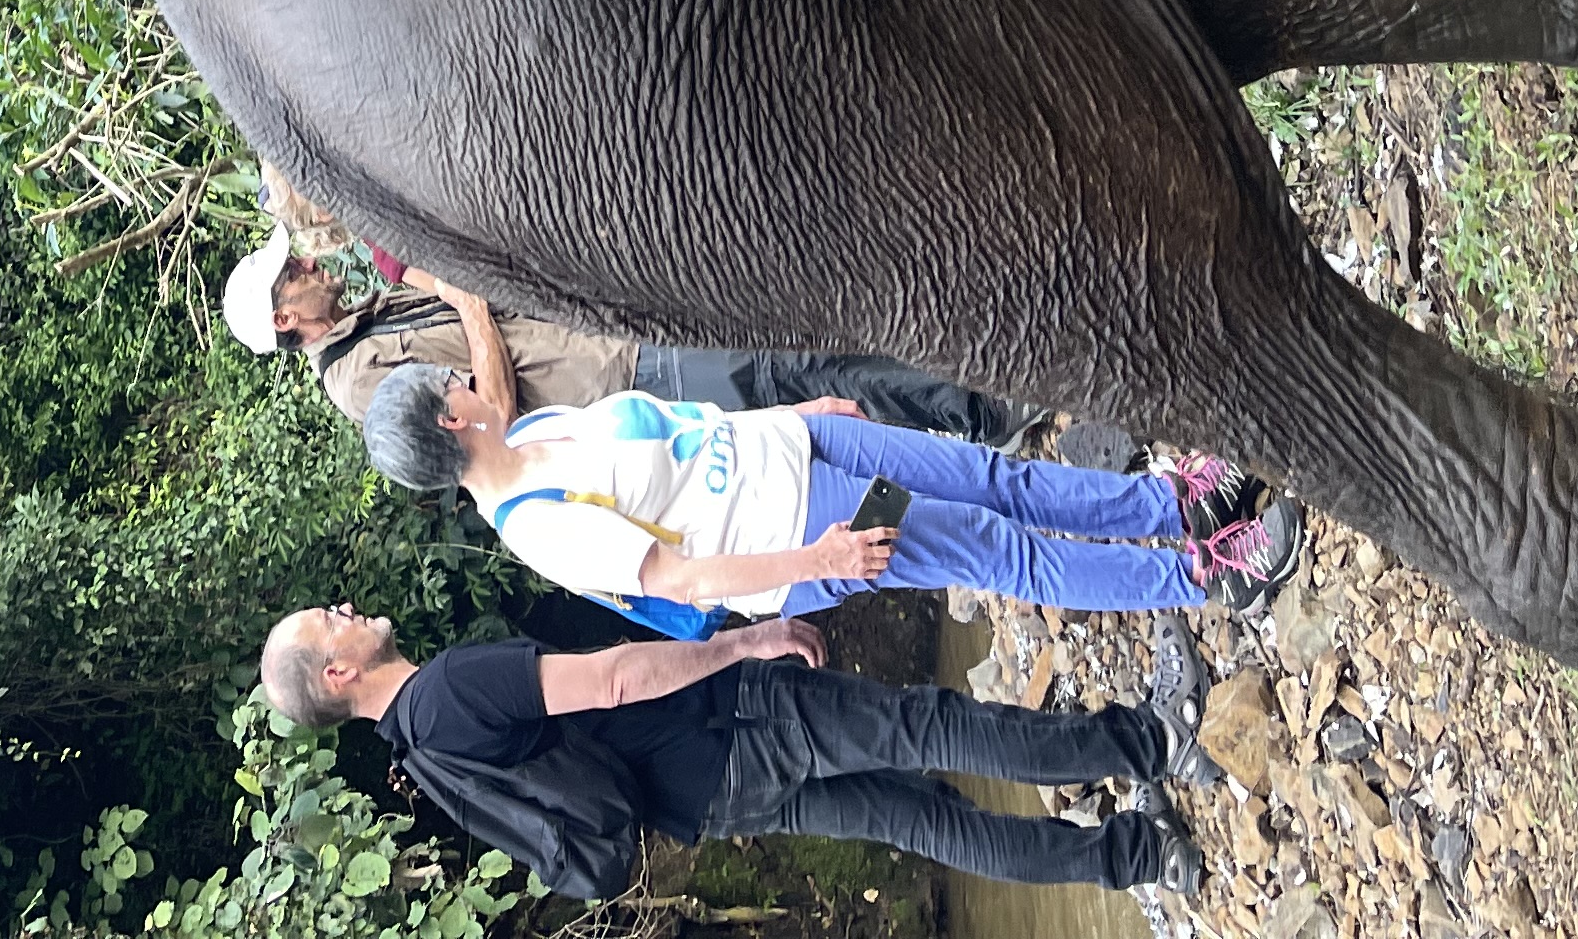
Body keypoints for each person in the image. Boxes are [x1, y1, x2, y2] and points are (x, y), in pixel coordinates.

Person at [256, 600, 1212, 897]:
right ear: (336, 675)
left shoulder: (418, 755)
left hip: (705, 803)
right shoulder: (448, 689)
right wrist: (744, 644)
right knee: (924, 725)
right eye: (327, 624)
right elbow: (616, 680)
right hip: (723, 725)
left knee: (919, 818)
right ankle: (1149, 740)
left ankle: (1140, 855)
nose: (345, 612)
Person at [364, 364, 1299, 622]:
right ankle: (1202, 580)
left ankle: (1171, 508)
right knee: (990, 548)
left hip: (802, 444)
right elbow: (682, 582)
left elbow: (684, 433)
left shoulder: (531, 432)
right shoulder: (538, 529)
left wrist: (799, 411)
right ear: (450, 420)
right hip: (804, 528)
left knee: (990, 475)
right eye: (448, 384)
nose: (462, 379)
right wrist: (822, 562)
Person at [220, 225, 1040, 448]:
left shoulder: (369, 320)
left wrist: (420, 274)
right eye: (290, 272)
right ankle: (980, 414)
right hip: (622, 380)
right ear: (287, 318)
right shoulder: (360, 385)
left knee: (802, 359)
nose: (302, 263)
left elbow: (455, 289)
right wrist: (470, 307)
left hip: (616, 334)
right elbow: (491, 424)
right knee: (803, 368)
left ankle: (967, 404)